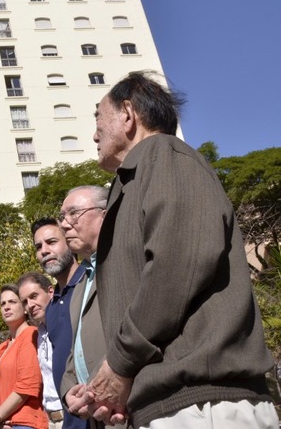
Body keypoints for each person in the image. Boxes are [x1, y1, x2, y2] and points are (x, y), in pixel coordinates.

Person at [69, 71, 278, 428]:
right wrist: (116, 386)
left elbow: (175, 269)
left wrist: (119, 363)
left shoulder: (165, 155)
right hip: (169, 408)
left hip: (206, 404)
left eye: (98, 119)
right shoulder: (133, 181)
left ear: (128, 114)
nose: (94, 134)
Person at [57, 185, 123, 429]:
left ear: (104, 214)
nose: (64, 224)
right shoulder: (81, 282)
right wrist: (68, 393)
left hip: (124, 410)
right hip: (94, 418)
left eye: (74, 213)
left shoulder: (126, 266)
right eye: (62, 217)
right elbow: (75, 353)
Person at [31, 218, 86, 429]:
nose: (44, 250)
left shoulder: (91, 283)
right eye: (38, 247)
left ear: (70, 243)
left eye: (51, 242)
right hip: (71, 421)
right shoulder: (51, 307)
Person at [0, 284, 48, 429]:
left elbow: (28, 386)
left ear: (25, 308)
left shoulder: (30, 335)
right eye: (3, 304)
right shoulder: (1, 348)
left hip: (26, 423)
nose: (6, 307)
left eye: (12, 302)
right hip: (3, 424)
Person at [17, 271, 63, 429]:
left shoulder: (66, 321)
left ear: (50, 292)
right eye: (24, 301)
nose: (30, 305)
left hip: (71, 414)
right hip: (50, 419)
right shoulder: (39, 333)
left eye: (34, 296)